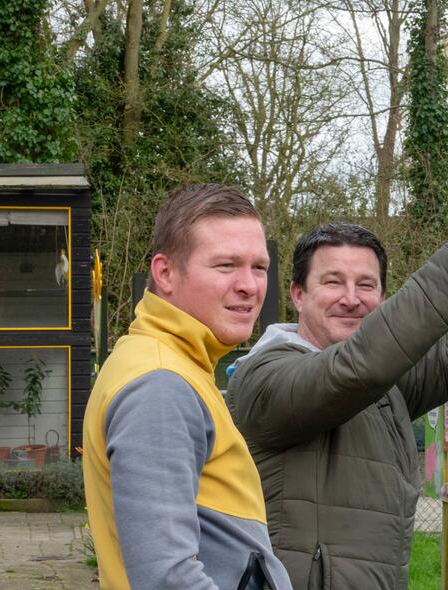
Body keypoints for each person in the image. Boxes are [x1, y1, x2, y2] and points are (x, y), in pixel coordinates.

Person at [227, 216, 448, 588]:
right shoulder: (263, 379)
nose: (351, 298)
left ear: (384, 300)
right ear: (297, 295)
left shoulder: (385, 387)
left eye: (366, 285)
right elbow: (353, 370)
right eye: (333, 282)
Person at [82, 184, 292, 590]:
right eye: (226, 265)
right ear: (165, 273)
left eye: (259, 267)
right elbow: (167, 578)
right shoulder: (160, 385)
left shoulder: (174, 362)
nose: (250, 286)